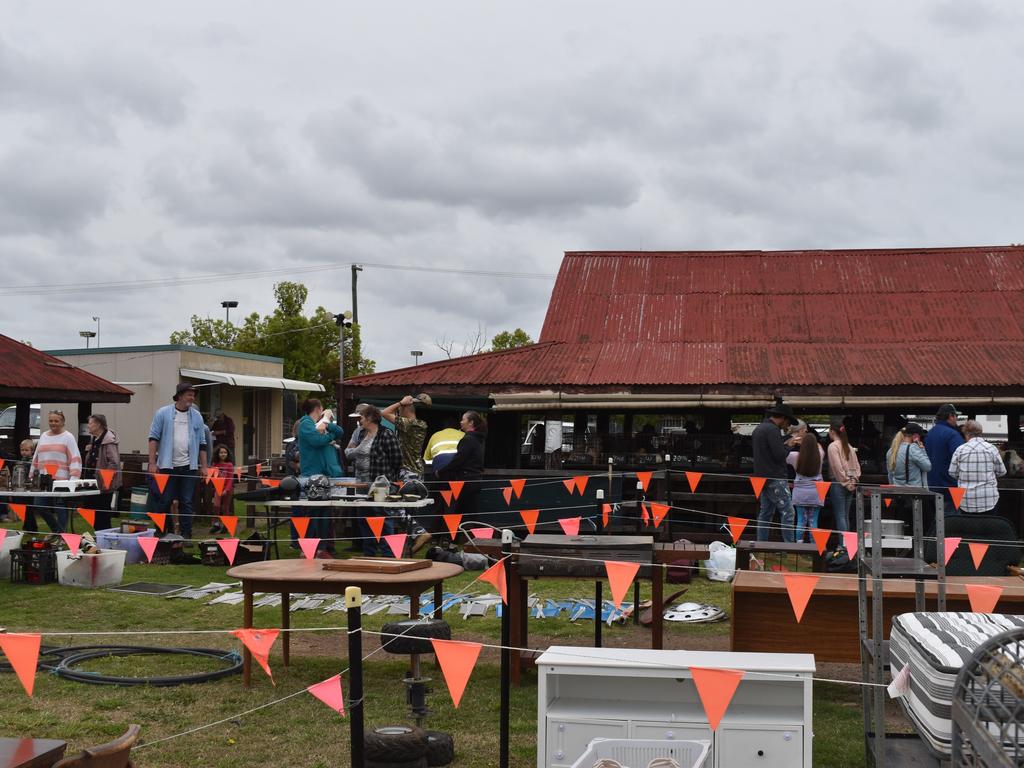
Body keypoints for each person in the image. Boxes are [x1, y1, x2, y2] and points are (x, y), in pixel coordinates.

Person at [148, 382, 208, 540]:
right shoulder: (163, 413)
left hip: (189, 466)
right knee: (165, 500)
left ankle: (186, 534)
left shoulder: (197, 416)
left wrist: (204, 466)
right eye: (189, 394)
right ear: (180, 395)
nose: (192, 397)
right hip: (167, 465)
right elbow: (153, 438)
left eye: (193, 394)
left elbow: (202, 443)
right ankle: (161, 531)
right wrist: (152, 463)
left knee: (187, 501)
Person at [345, 405, 401, 556]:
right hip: (361, 482)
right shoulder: (360, 433)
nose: (360, 420)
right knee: (365, 518)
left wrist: (388, 478)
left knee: (382, 516)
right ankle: (369, 552)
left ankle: (388, 553)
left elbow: (396, 458)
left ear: (369, 418)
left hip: (380, 483)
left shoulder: (386, 434)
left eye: (362, 417)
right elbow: (348, 452)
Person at [297, 398, 344, 556]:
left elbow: (340, 432)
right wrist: (329, 435)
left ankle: (322, 548)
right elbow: (317, 441)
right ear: (318, 408)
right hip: (311, 475)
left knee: (323, 513)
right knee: (314, 513)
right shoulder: (305, 424)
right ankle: (310, 548)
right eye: (322, 410)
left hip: (323, 475)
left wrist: (327, 423)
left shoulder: (318, 424)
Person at [751, 403, 799, 542]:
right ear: (783, 418)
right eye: (788, 422)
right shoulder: (773, 430)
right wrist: (789, 445)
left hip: (762, 477)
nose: (788, 426)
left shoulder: (759, 428)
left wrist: (784, 445)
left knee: (765, 513)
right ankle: (790, 547)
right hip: (775, 477)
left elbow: (769, 452)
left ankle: (762, 545)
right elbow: (779, 455)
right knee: (788, 513)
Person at [28, 409, 82, 534]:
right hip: (43, 480)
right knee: (39, 505)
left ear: (62, 422)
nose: (53, 423)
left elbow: (75, 458)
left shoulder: (68, 437)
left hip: (61, 480)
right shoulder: (43, 436)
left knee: (60, 508)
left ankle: (61, 534)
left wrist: (73, 478)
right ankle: (57, 530)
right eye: (51, 420)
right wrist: (32, 475)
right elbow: (36, 456)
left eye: (56, 421)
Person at [437, 411, 487, 524]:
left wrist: (441, 471)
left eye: (463, 419)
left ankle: (486, 537)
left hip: (466, 482)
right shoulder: (477, 439)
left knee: (469, 515)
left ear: (471, 423)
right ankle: (450, 538)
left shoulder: (467, 440)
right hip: (473, 481)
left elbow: (458, 460)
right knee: (460, 513)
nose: (461, 422)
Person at [949, 420, 1007, 514]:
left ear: (966, 434)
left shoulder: (960, 450)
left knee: (968, 528)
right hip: (989, 500)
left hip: (965, 501)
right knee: (989, 527)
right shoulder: (991, 448)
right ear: (980, 433)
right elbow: (1002, 472)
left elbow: (952, 472)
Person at [83, 414, 121, 531]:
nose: (88, 426)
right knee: (92, 509)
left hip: (103, 483)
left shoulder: (108, 441)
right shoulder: (95, 439)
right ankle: (99, 535)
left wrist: (106, 479)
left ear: (98, 424)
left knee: (102, 512)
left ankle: (104, 536)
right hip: (93, 482)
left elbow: (114, 462)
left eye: (90, 423)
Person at [787, 423, 824, 543]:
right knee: (814, 521)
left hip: (800, 492)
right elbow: (819, 447)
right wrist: (811, 441)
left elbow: (782, 454)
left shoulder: (794, 456)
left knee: (800, 520)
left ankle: (799, 545)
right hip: (817, 492)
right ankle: (814, 546)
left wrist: (793, 442)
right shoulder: (820, 455)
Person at [826, 419, 860, 532]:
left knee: (840, 516)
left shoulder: (833, 447)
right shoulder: (849, 446)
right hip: (851, 482)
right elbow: (857, 466)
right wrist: (853, 480)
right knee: (845, 515)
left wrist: (845, 482)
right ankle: (847, 544)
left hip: (838, 482)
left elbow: (837, 467)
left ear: (832, 431)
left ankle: (843, 545)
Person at [925, 404, 965, 492]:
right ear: (951, 416)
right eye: (956, 416)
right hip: (950, 485)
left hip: (932, 484)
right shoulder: (952, 435)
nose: (956, 419)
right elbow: (962, 458)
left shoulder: (930, 433)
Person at [208, 444, 235, 533]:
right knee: (216, 506)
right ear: (217, 454)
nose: (223, 454)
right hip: (218, 488)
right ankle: (216, 524)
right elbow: (213, 477)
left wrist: (226, 490)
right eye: (221, 452)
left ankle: (226, 526)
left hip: (228, 489)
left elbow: (230, 479)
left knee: (225, 508)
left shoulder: (229, 465)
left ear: (227, 454)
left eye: (225, 452)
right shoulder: (215, 465)